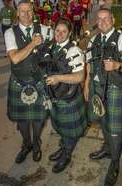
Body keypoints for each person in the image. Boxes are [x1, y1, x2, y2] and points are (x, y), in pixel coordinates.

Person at [84, 8, 122, 186]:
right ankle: (107, 149)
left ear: (113, 20)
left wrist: (116, 65)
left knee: (115, 129)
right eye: (99, 19)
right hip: (97, 87)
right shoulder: (93, 40)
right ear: (96, 22)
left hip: (114, 88)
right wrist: (86, 85)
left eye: (106, 19)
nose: (103, 22)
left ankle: (115, 162)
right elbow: (90, 66)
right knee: (103, 121)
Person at [4, 0, 53, 164]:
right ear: (17, 13)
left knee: (39, 118)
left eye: (29, 11)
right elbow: (15, 58)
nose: (26, 14)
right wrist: (33, 43)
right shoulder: (10, 33)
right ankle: (26, 144)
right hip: (19, 82)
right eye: (22, 11)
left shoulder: (46, 30)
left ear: (34, 12)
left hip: (39, 81)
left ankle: (37, 143)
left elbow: (56, 50)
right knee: (22, 119)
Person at [46, 17, 87, 173]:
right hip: (56, 96)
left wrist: (58, 78)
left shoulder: (74, 51)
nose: (60, 34)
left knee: (70, 129)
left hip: (69, 98)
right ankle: (63, 147)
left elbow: (80, 77)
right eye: (57, 31)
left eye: (64, 31)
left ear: (70, 33)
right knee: (61, 126)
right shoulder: (53, 47)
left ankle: (67, 154)